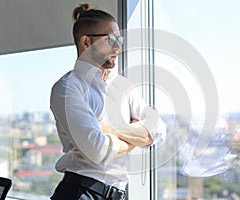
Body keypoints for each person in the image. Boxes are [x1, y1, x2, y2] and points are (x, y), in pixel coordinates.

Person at [49, 4, 166, 200]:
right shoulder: (68, 88)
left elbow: (159, 130)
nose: (118, 47)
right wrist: (137, 136)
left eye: (119, 39)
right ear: (86, 42)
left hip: (117, 194)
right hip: (80, 193)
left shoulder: (123, 86)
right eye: (111, 39)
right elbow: (97, 151)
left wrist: (111, 130)